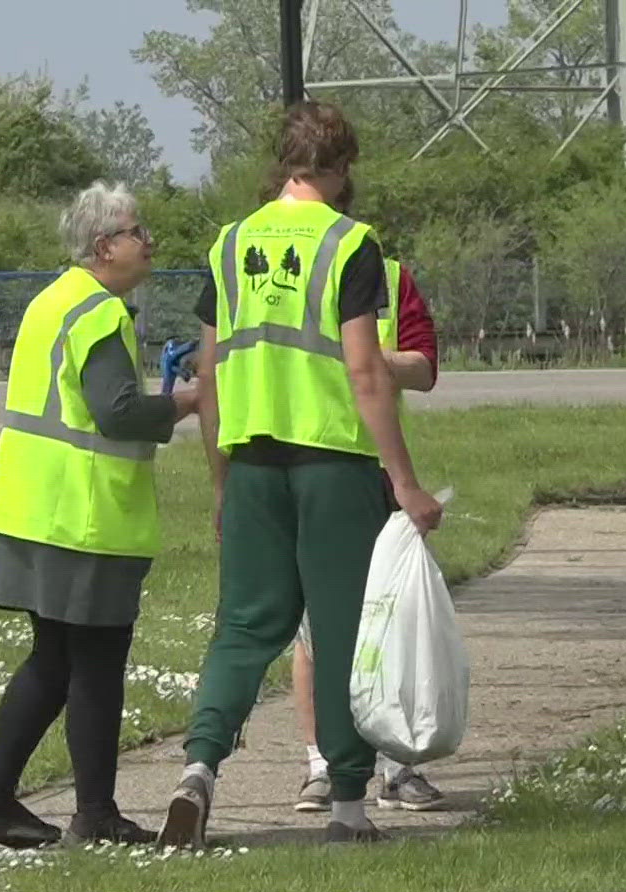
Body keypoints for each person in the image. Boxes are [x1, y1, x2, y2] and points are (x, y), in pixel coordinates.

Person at [160, 101, 442, 848]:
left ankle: (199, 770)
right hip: (333, 464)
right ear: (343, 168)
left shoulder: (229, 244)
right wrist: (405, 481)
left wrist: (222, 480)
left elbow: (210, 372)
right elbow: (364, 368)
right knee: (343, 629)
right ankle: (348, 806)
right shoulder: (350, 243)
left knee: (245, 626)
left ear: (282, 161)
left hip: (253, 461)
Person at [0, 181, 197, 849]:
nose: (150, 243)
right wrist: (188, 401)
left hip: (33, 508)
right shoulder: (98, 312)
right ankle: (93, 816)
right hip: (83, 517)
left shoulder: (51, 301)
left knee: (57, 660)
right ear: (104, 246)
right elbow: (116, 412)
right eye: (138, 232)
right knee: (92, 663)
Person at [290, 177, 446, 815]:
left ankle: (396, 764)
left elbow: (427, 365)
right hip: (308, 463)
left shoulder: (386, 270)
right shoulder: (283, 268)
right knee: (312, 629)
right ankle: (321, 764)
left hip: (372, 467)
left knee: (386, 617)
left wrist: (373, 360)